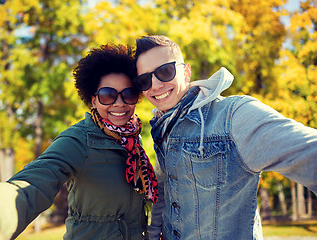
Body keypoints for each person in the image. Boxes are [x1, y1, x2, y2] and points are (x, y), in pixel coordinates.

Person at [0, 43, 158, 240]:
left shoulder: (133, 141)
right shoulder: (78, 140)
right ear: (93, 99)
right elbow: (32, 185)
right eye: (108, 95)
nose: (119, 103)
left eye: (129, 94)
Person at [133, 35, 317, 240]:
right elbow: (164, 194)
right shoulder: (163, 128)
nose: (156, 85)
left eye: (165, 71)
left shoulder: (233, 115)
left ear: (186, 73)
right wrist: (153, 231)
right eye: (144, 80)